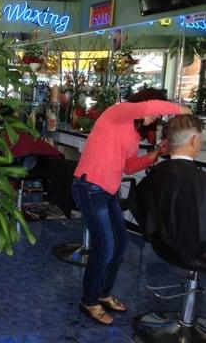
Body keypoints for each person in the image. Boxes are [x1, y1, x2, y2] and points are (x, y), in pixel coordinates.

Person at [71, 89, 191, 325]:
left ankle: (103, 293)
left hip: (108, 190)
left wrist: (156, 153)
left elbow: (128, 166)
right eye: (156, 112)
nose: (155, 117)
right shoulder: (118, 112)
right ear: (145, 103)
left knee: (120, 243)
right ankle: (89, 300)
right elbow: (149, 108)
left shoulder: (133, 134)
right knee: (104, 246)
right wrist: (181, 110)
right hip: (89, 186)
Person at [133, 114, 206, 259]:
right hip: (195, 251)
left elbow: (137, 206)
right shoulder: (200, 180)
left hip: (162, 246)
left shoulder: (155, 173)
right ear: (194, 140)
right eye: (201, 140)